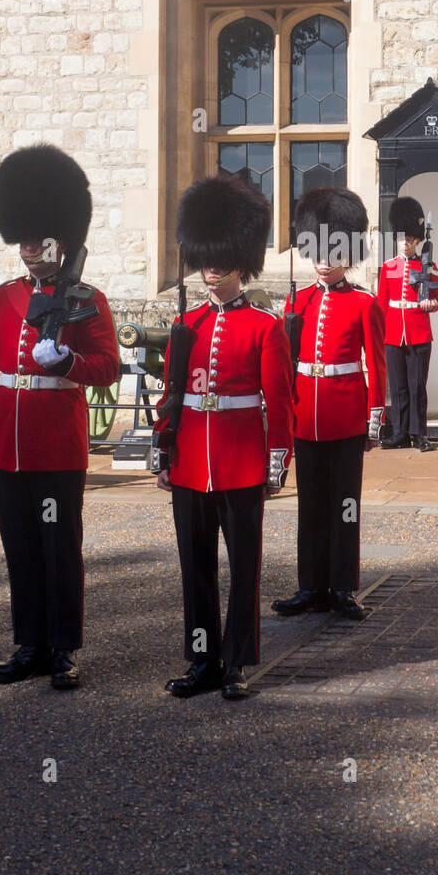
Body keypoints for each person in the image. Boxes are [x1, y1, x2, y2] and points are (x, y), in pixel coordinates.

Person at [0, 145, 119, 690]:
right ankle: (28, 644)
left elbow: (108, 367)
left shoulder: (86, 299)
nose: (32, 249)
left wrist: (70, 361)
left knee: (59, 548)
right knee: (21, 549)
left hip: (56, 448)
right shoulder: (2, 298)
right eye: (26, 240)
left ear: (63, 238)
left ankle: (63, 649)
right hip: (9, 445)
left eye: (42, 238)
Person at [153, 176, 293, 701]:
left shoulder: (264, 326)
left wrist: (276, 464)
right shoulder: (185, 323)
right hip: (191, 462)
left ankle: (236, 663)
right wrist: (163, 452)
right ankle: (202, 659)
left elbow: (278, 402)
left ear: (241, 261)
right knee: (196, 571)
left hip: (240, 463)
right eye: (206, 258)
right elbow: (171, 396)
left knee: (244, 570)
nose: (211, 268)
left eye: (221, 258)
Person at [272, 187, 386, 621]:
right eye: (316, 250)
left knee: (345, 504)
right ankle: (310, 585)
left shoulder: (363, 303)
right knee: (310, 504)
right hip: (305, 418)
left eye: (332, 250)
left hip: (345, 417)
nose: (323, 260)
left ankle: (343, 587)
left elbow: (376, 365)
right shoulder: (297, 302)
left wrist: (374, 421)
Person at [377, 196, 438, 451]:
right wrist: (379, 335)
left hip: (418, 332)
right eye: (401, 239)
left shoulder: (429, 265)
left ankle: (419, 433)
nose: (404, 244)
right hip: (393, 333)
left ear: (417, 240)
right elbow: (381, 305)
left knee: (417, 386)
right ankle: (400, 432)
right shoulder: (388, 267)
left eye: (409, 240)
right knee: (398, 387)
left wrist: (430, 305)